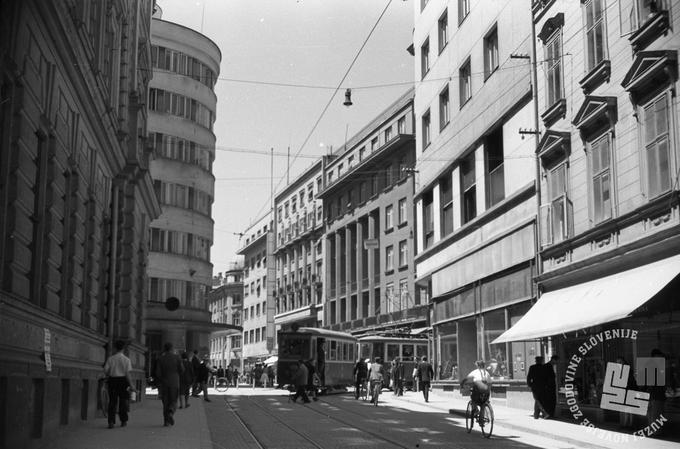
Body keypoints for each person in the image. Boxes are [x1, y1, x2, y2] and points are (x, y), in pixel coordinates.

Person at [103, 340, 137, 429]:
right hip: (123, 381)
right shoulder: (126, 360)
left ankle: (111, 421)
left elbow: (105, 370)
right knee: (123, 401)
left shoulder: (111, 359)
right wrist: (132, 385)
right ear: (123, 349)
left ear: (115, 348)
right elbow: (127, 374)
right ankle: (123, 420)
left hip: (112, 381)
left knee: (112, 402)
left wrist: (110, 373)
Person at [155, 342, 184, 427]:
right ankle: (171, 411)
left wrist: (161, 380)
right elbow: (182, 370)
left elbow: (158, 373)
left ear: (164, 349)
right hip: (175, 382)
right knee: (174, 400)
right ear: (172, 348)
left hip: (164, 383)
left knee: (165, 402)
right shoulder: (177, 358)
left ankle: (166, 422)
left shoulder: (160, 358)